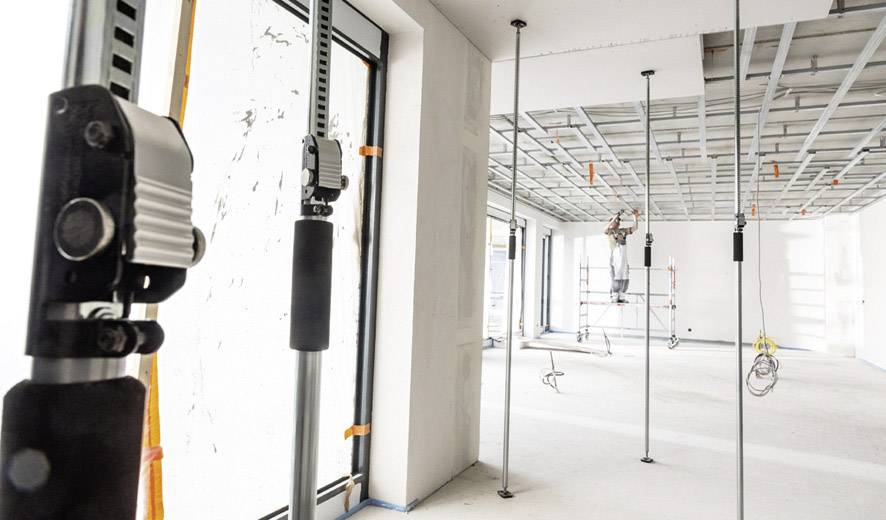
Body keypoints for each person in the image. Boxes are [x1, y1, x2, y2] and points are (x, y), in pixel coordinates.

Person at [604, 209, 640, 303]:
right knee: (616, 277)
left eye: (618, 221)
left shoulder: (622, 231)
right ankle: (614, 296)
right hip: (615, 256)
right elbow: (605, 229)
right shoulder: (610, 232)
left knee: (625, 277)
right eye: (616, 221)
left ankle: (622, 296)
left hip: (623, 257)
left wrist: (635, 217)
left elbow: (634, 228)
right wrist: (615, 217)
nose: (618, 222)